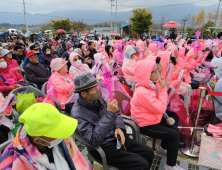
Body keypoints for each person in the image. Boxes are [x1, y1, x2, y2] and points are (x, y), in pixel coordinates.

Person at [71, 72, 154, 170]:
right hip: (103, 147)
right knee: (142, 165)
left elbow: (116, 112)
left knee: (149, 152)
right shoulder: (78, 113)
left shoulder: (96, 100)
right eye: (94, 88)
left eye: (97, 87)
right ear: (84, 93)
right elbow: (93, 139)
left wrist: (118, 127)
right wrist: (109, 113)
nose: (98, 90)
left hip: (115, 138)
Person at [0, 103, 91, 170]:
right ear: (37, 141)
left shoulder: (56, 140)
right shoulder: (13, 162)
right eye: (57, 132)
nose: (63, 135)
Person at [131, 60, 184, 170]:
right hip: (144, 124)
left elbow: (158, 104)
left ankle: (161, 148)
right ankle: (170, 165)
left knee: (174, 129)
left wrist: (162, 87)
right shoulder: (142, 91)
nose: (157, 74)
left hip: (153, 118)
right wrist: (164, 89)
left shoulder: (148, 85)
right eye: (154, 72)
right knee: (174, 135)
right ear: (146, 75)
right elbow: (160, 108)